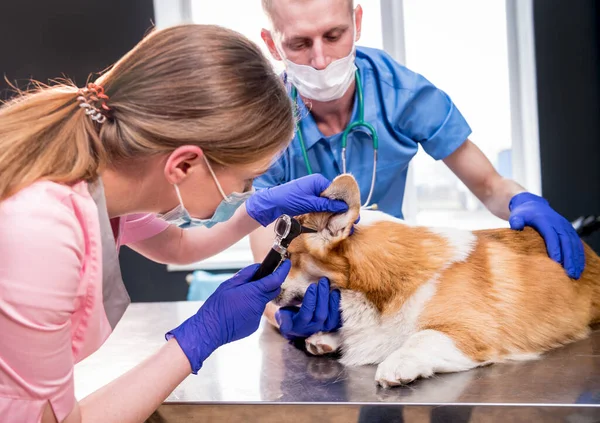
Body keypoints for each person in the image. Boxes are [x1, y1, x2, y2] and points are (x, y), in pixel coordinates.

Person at [0, 24, 351, 423]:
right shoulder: (39, 232)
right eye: (246, 182)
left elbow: (181, 247)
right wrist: (200, 337)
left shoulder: (105, 176)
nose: (244, 193)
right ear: (184, 164)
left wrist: (257, 210)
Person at [251, 0, 586, 341]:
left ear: (358, 21)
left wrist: (522, 200)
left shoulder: (402, 94)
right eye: (300, 43)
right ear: (271, 43)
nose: (321, 61)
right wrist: (287, 317)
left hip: (385, 278)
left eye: (334, 35)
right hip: (312, 286)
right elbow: (266, 268)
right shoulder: (262, 128)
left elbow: (489, 184)